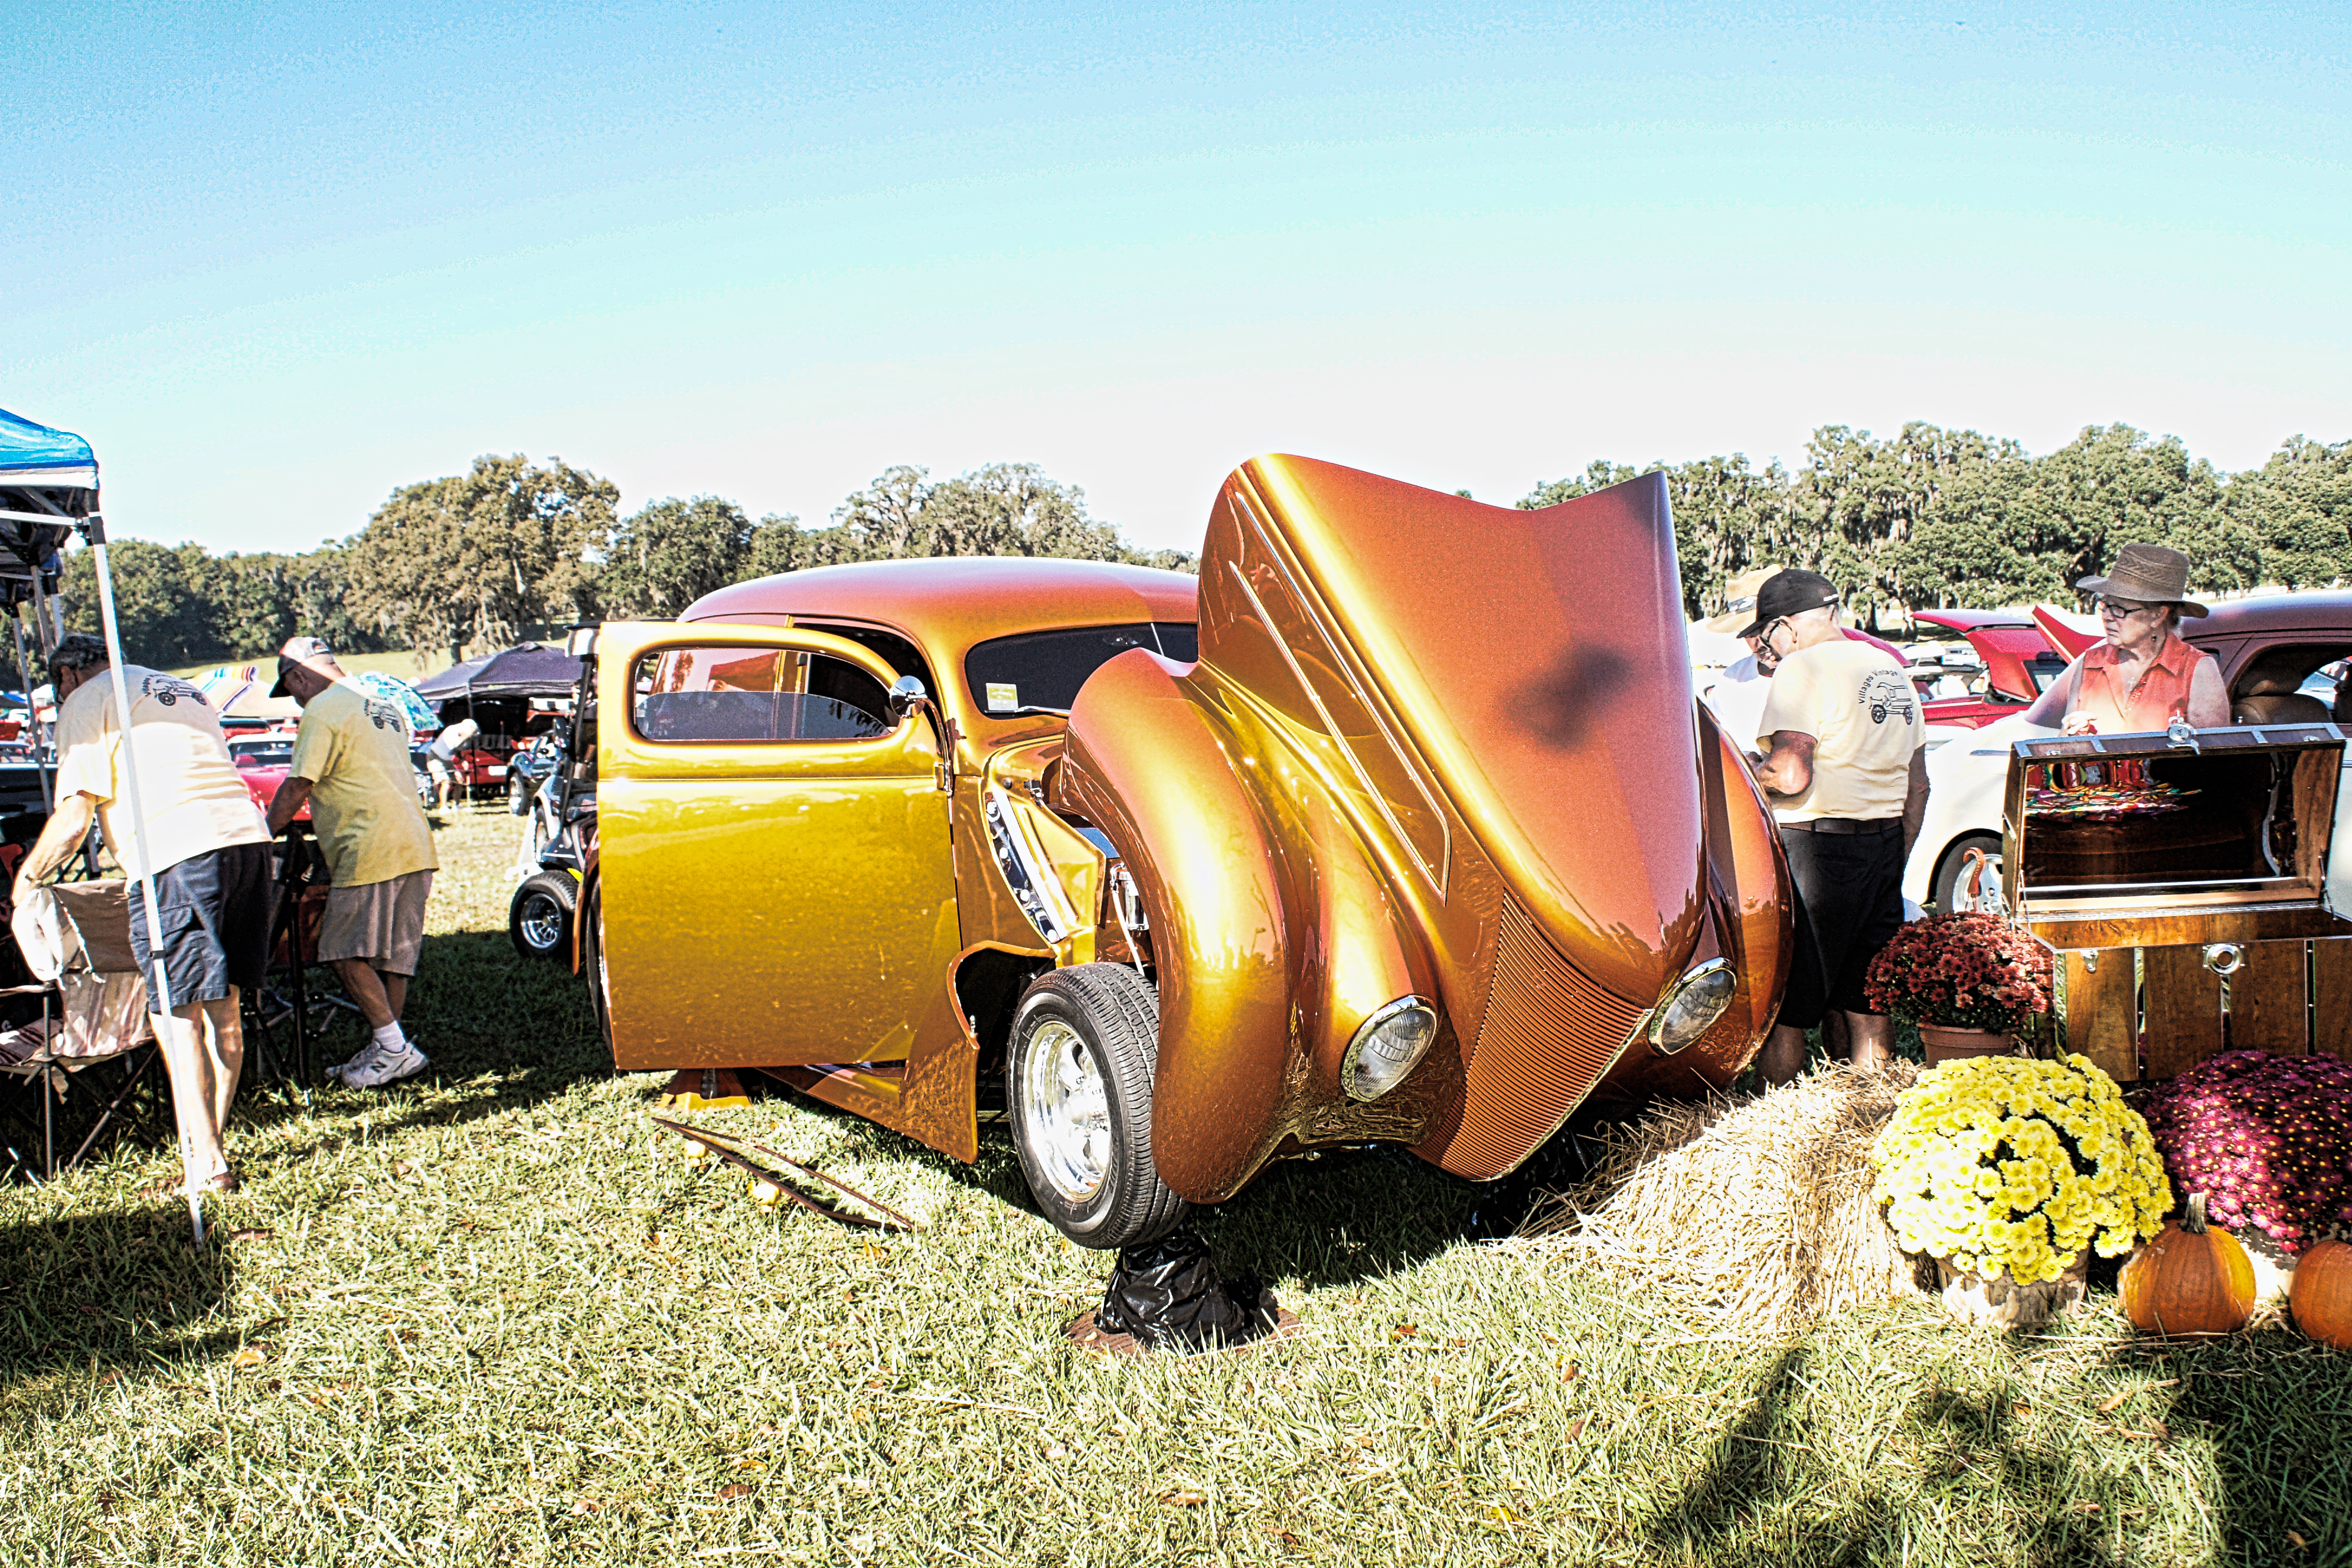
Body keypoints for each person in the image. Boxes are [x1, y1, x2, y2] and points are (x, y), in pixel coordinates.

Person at [11, 633, 272, 1193]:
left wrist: (26, 880)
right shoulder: (179, 687)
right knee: (224, 1007)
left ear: (67, 677)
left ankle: (207, 1163)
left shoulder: (87, 698)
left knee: (174, 1012)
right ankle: (209, 1149)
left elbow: (75, 813)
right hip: (248, 841)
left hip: (176, 851)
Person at [1741, 571, 1930, 1086]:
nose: (1769, 648)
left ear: (1788, 626)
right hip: (1884, 842)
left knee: (1788, 1012)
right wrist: (1895, 858)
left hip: (1816, 850)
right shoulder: (1889, 667)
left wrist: (1746, 771)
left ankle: (1770, 1130)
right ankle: (1870, 1117)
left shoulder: (1803, 667)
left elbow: (1791, 773)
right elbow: (1918, 786)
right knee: (1867, 1005)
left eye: (1768, 634)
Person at [264, 637, 437, 1088]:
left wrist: (261, 835)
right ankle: (389, 1051)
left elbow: (298, 783)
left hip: (368, 842)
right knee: (393, 958)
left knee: (339, 949)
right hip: (414, 842)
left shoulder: (322, 710)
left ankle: (393, 1047)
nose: (298, 701)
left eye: (294, 691)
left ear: (300, 676)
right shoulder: (382, 704)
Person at [2018, 543, 2228, 734]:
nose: (2107, 616)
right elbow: (2063, 748)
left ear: (2158, 615)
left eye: (2119, 609)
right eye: (2105, 605)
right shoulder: (2090, 663)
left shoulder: (2196, 669)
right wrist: (2070, 734)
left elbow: (2210, 759)